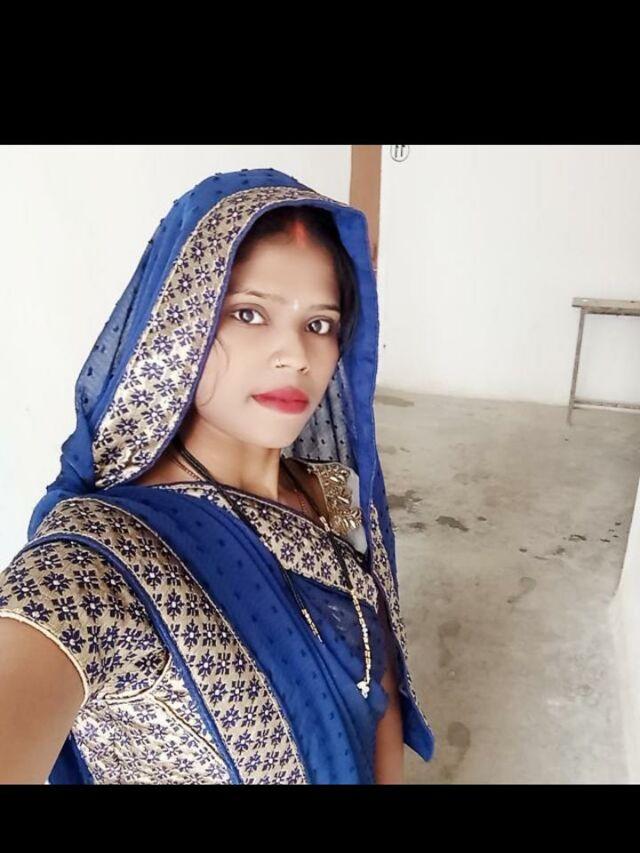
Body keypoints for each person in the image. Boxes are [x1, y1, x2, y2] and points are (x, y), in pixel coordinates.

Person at [0, 167, 435, 784]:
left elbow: (376, 686)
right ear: (179, 327)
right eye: (249, 314)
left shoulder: (331, 492)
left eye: (319, 324)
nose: (295, 355)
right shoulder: (100, 561)